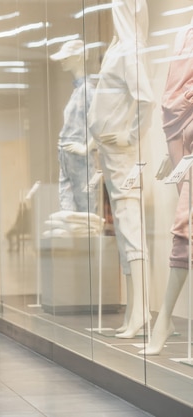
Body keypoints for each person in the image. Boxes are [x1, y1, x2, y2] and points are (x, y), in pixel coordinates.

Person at [85, 0, 154, 339]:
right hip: (110, 153)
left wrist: (130, 134)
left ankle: (141, 311)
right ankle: (134, 310)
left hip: (122, 152)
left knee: (130, 229)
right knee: (125, 233)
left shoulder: (131, 48)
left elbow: (146, 99)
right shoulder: (119, 44)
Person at [140, 14, 193, 355]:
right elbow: (170, 99)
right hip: (179, 140)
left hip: (185, 135)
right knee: (185, 228)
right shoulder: (184, 32)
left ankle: (162, 322)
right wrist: (172, 153)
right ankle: (164, 321)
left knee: (183, 226)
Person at [50, 39, 97, 214]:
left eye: (66, 57)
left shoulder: (88, 91)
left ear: (78, 57)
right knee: (67, 211)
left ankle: (86, 241)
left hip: (78, 157)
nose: (62, 61)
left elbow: (100, 126)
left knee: (86, 210)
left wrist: (86, 148)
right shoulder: (78, 91)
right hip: (66, 154)